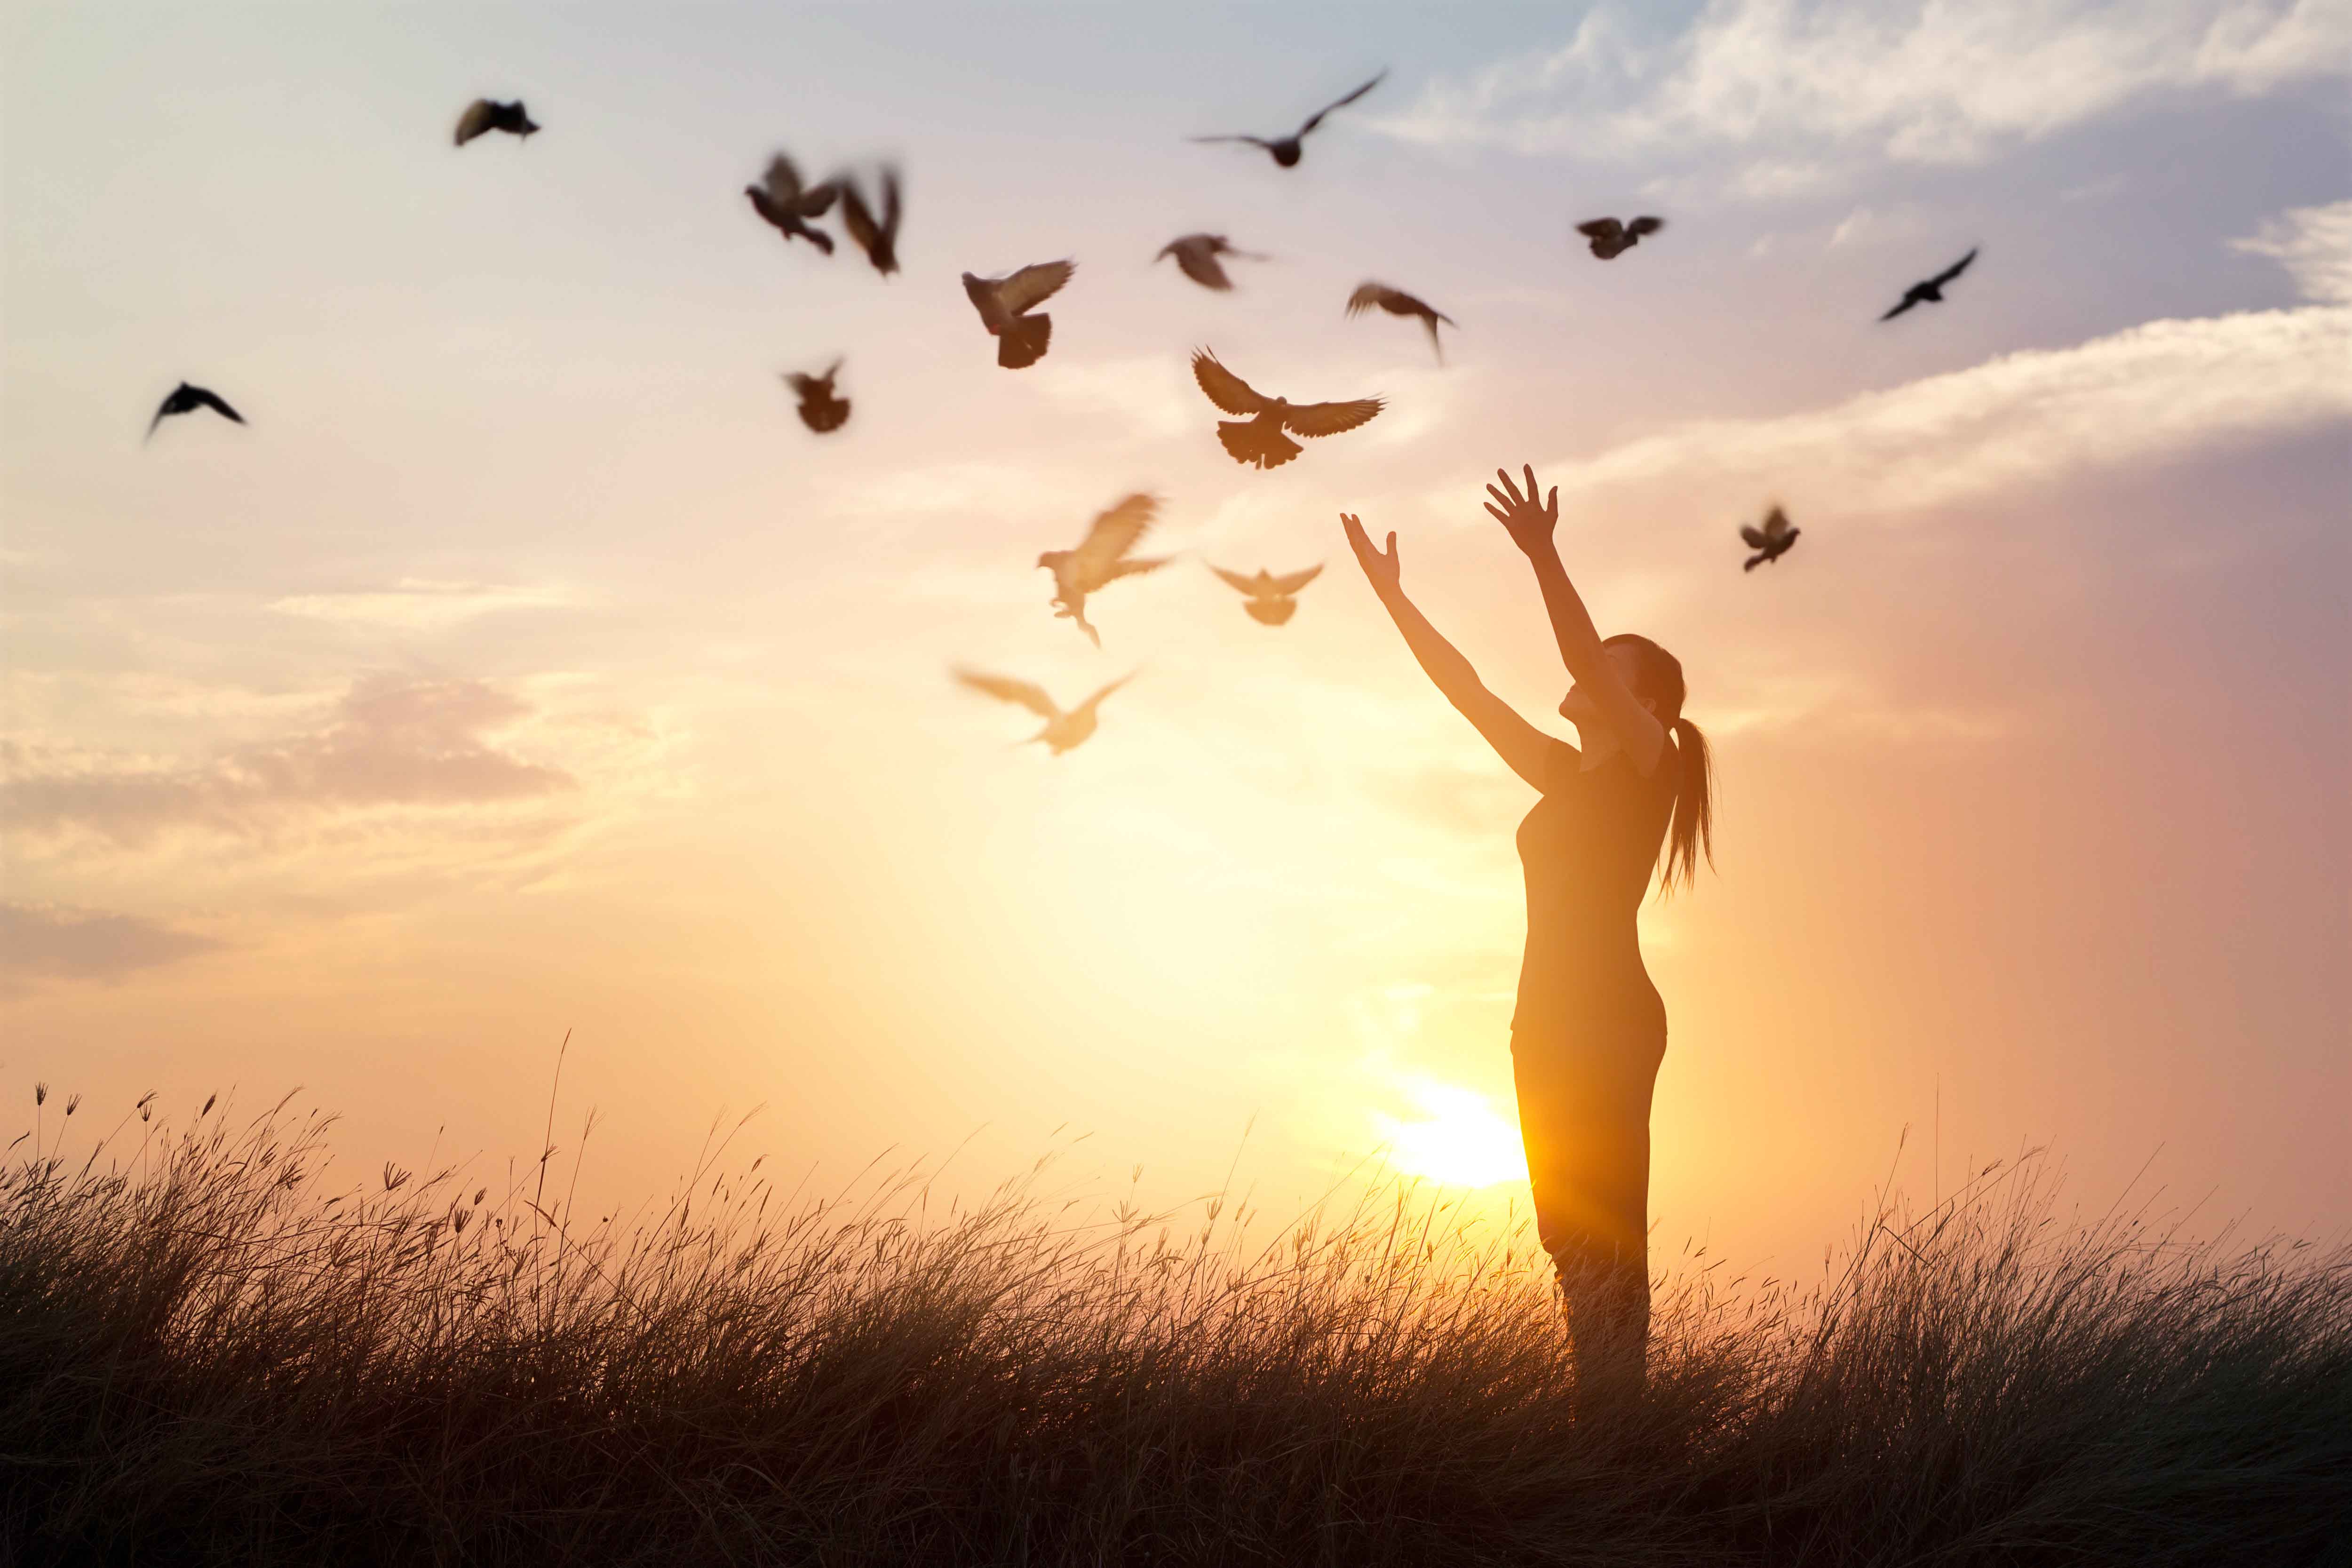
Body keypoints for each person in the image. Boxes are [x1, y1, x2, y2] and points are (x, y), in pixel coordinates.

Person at [1342, 466, 1714, 1402]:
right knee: (1566, 1237)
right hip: (1539, 1021)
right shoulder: (1566, 776)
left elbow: (1584, 659)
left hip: (1609, 1018)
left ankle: (1619, 1435)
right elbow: (1467, 692)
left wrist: (1543, 553)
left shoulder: (1649, 764)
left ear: (1649, 705)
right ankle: (1603, 1417)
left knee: (1609, 1232)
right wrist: (1395, 598)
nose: (1586, 664)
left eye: (1611, 660)